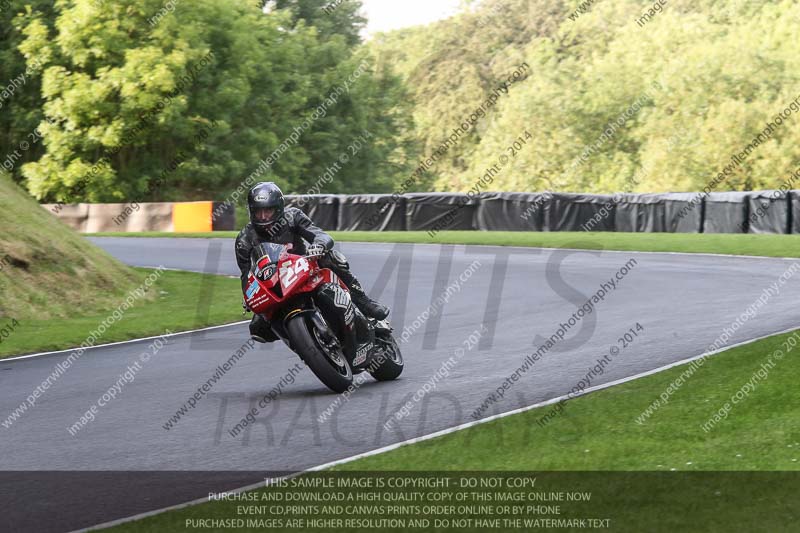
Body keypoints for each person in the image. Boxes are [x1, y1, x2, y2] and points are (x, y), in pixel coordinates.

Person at [235, 182, 389, 343]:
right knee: (258, 329)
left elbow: (320, 235)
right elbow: (247, 276)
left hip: (305, 270)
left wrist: (318, 246)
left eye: (268, 210)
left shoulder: (292, 217)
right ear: (251, 211)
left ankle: (364, 302)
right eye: (258, 212)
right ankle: (304, 345)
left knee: (331, 257)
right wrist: (249, 297)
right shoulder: (244, 240)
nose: (264, 216)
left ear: (279, 208)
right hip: (276, 285)